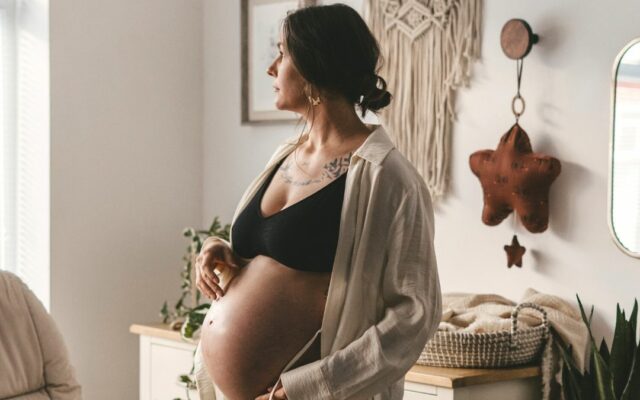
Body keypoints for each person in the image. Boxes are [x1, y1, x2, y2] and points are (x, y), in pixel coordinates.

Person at [193, 4, 442, 400]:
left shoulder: (388, 177)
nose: (271, 68)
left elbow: (415, 316)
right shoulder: (284, 156)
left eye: (283, 53)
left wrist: (304, 390)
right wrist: (222, 251)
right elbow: (273, 260)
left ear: (314, 65)